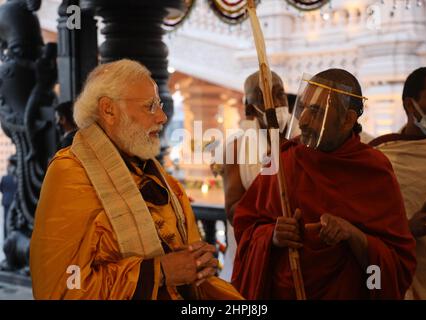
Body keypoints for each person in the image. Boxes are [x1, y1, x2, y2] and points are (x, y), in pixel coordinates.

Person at [30, 59, 243, 300]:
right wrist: (158, 272)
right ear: (108, 109)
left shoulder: (157, 177)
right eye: (150, 106)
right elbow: (62, 286)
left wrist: (197, 261)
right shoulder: (71, 174)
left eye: (159, 104)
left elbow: (182, 252)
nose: (162, 117)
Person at [232, 68, 416, 300]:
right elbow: (245, 224)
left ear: (348, 119)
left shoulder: (372, 169)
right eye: (304, 107)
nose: (304, 121)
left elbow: (396, 263)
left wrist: (353, 235)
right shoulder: (284, 159)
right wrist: (272, 236)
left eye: (317, 112)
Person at [370, 67, 426, 299]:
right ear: (409, 105)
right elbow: (365, 232)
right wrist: (407, 229)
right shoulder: (380, 158)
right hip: (408, 282)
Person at [220, 71, 294, 281]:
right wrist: (272, 226)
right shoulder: (236, 149)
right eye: (265, 98)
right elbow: (234, 211)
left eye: (280, 95)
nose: (276, 103)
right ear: (250, 108)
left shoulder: (302, 140)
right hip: (254, 254)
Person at [0, 157, 17, 239]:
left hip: (6, 201)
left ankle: (6, 237)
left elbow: (1, 189)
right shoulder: (15, 178)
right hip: (13, 201)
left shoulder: (4, 178)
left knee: (5, 220)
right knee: (12, 220)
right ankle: (11, 236)